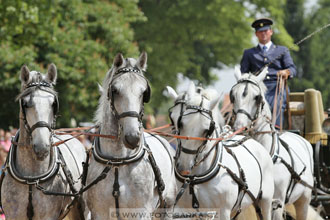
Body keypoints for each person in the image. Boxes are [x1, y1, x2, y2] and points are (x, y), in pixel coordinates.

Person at [240, 18, 297, 128]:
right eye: (260, 31)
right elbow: (244, 74)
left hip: (277, 86)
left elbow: (292, 68)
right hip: (257, 87)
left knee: (278, 102)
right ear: (256, 34)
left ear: (271, 32)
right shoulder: (249, 53)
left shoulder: (282, 50)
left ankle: (275, 128)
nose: (263, 34)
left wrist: (286, 72)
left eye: (266, 31)